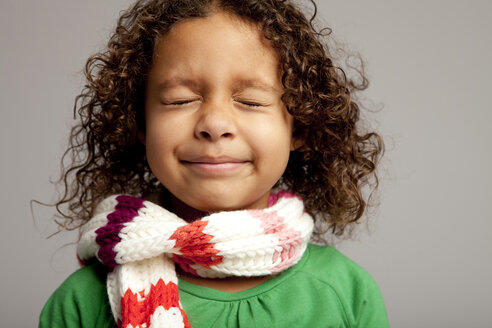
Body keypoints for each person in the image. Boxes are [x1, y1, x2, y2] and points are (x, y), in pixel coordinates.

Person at [39, 0, 388, 327]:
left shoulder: (347, 294)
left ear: (301, 125)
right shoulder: (82, 303)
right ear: (139, 122)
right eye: (180, 100)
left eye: (251, 101)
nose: (215, 124)